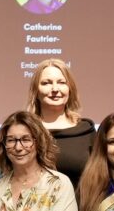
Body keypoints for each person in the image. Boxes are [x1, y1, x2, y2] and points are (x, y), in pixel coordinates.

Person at [27, 59, 96, 189]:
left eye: (61, 82)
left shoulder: (87, 131)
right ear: (35, 90)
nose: (55, 89)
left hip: (79, 208)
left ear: (70, 88)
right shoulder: (26, 130)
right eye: (46, 83)